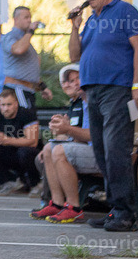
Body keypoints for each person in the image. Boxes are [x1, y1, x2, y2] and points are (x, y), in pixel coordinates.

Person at [69, 0, 138, 231]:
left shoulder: (125, 11)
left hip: (118, 89)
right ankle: (115, 209)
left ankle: (125, 213)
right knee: (101, 150)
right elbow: (75, 55)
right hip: (93, 91)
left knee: (116, 149)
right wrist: (74, 27)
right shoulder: (91, 20)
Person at [30, 64, 95, 224]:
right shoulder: (80, 103)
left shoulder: (93, 101)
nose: (71, 84)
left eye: (75, 79)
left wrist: (67, 130)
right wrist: (64, 131)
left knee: (57, 150)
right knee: (48, 149)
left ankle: (74, 208)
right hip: (89, 151)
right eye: (67, 81)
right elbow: (80, 135)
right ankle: (57, 203)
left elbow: (94, 137)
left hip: (102, 154)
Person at [0, 88, 41, 194]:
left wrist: (7, 140)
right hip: (10, 152)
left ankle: (36, 184)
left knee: (25, 152)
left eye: (9, 105)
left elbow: (33, 142)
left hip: (30, 155)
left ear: (16, 104)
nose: (5, 108)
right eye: (3, 105)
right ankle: (8, 182)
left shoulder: (27, 114)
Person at [1, 6, 52, 120]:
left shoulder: (25, 40)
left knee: (29, 124)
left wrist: (43, 87)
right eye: (26, 17)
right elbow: (18, 49)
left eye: (30, 17)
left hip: (27, 90)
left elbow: (28, 70)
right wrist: (30, 32)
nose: (29, 20)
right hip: (17, 89)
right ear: (16, 19)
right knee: (26, 122)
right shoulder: (11, 37)